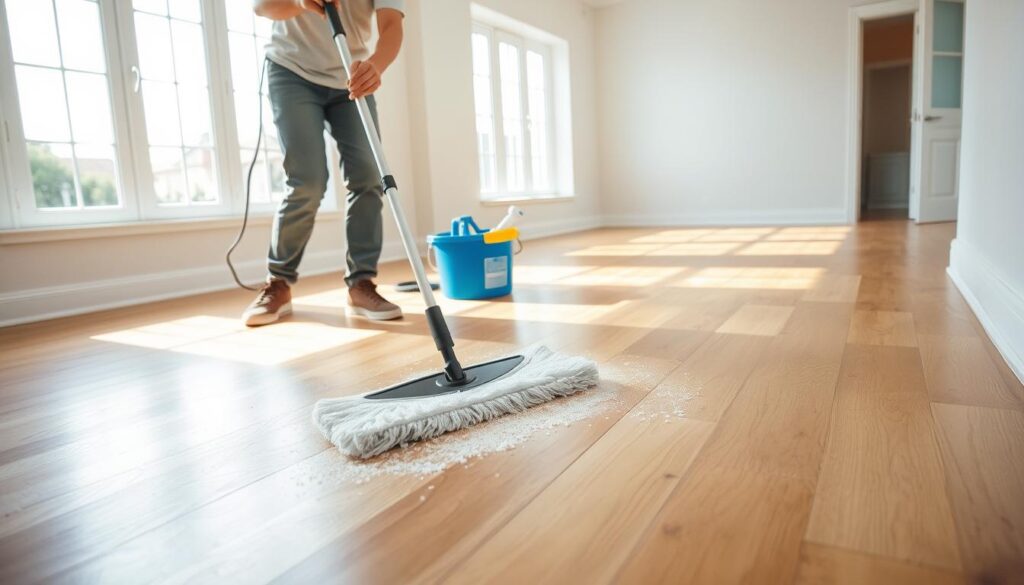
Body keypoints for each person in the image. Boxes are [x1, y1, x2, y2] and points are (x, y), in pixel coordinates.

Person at [244, 0, 405, 326]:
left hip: (353, 72)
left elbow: (391, 26)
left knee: (369, 178)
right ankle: (278, 282)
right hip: (291, 69)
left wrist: (376, 65)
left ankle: (361, 283)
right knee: (308, 180)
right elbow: (262, 7)